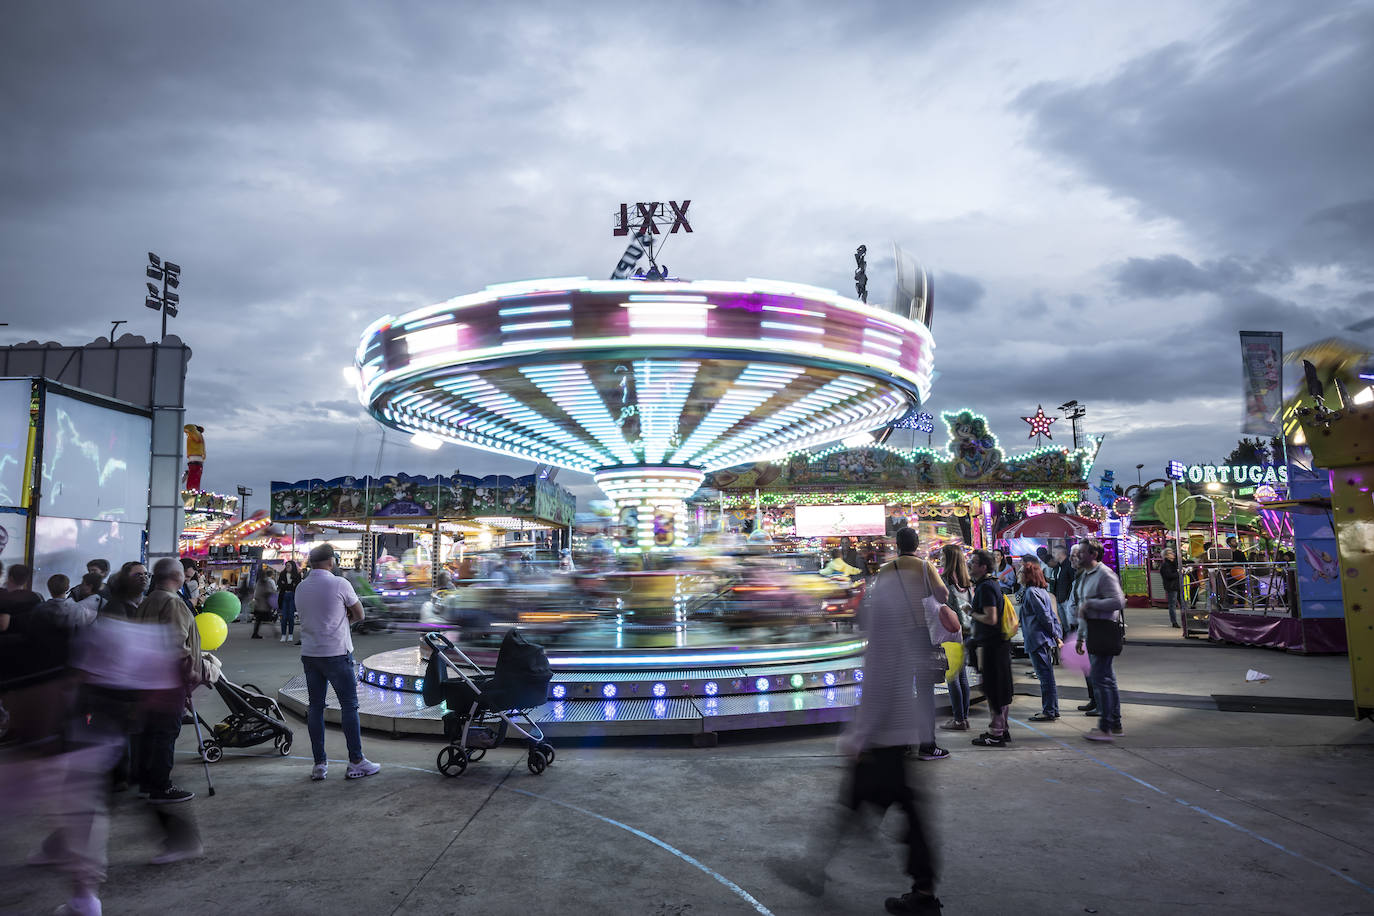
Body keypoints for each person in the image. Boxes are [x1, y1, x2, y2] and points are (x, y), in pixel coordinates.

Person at [778, 526, 945, 913]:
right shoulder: (918, 579)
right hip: (899, 730)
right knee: (896, 808)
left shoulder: (884, 613)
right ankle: (922, 890)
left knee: (856, 804)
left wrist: (859, 734)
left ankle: (819, 869)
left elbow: (880, 683)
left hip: (884, 735)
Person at [295, 543, 380, 781]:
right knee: (349, 706)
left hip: (310, 654)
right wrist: (342, 622)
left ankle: (319, 764)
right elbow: (360, 614)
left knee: (315, 707)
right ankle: (356, 761)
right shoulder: (340, 584)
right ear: (332, 561)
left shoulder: (301, 587)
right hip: (337, 653)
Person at [127, 558, 202, 807]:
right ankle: (161, 785)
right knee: (166, 732)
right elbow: (177, 645)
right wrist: (190, 674)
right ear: (177, 576)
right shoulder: (173, 603)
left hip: (146, 676)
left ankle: (147, 781)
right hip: (168, 680)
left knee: (150, 732)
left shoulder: (148, 601)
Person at [1073, 538, 1126, 741]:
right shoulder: (1086, 575)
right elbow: (1082, 609)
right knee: (1106, 679)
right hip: (1092, 631)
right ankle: (1114, 723)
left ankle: (1106, 727)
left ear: (1094, 554)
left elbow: (1118, 600)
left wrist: (1091, 604)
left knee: (1100, 679)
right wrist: (1080, 636)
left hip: (1103, 630)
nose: (1078, 556)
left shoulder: (1104, 574)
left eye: (1082, 552)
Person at [967, 549, 1013, 747]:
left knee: (994, 690)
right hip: (998, 645)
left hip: (993, 646)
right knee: (1000, 689)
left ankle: (996, 733)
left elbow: (991, 618)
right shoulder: (991, 584)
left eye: (974, 562)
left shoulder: (986, 587)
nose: (970, 565)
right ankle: (1003, 729)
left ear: (983, 566)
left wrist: (971, 612)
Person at [1018, 558, 1062, 721]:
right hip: (1043, 638)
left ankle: (1049, 710)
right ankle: (1052, 708)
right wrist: (1056, 634)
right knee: (1047, 676)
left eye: (1022, 572)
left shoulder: (1031, 592)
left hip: (1037, 638)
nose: (1019, 575)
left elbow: (1044, 616)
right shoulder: (1041, 591)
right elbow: (1050, 616)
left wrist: (1055, 635)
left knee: (1045, 677)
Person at [938, 544, 973, 732]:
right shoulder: (966, 581)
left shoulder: (944, 581)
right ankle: (963, 717)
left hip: (951, 632)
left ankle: (959, 719)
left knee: (952, 678)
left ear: (949, 559)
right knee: (962, 677)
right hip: (967, 632)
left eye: (943, 557)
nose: (940, 560)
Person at [1050, 545, 1075, 633]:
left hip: (1067, 601)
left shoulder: (1069, 565)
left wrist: (1069, 598)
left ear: (1060, 554)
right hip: (1060, 600)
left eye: (1054, 552)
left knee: (1070, 626)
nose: (1053, 555)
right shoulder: (1059, 566)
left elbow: (1074, 582)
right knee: (1065, 627)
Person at [277, 560, 301, 643]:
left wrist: (286, 585)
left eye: (289, 565)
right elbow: (280, 585)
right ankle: (283, 635)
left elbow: (296, 586)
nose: (287, 567)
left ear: (293, 566)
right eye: (286, 565)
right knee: (284, 617)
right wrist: (289, 585)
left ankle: (290, 634)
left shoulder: (297, 575)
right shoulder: (282, 574)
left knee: (291, 616)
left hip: (292, 596)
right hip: (284, 596)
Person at [250, 571, 277, 639]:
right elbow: (270, 591)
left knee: (258, 620)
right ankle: (275, 631)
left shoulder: (259, 582)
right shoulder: (266, 582)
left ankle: (255, 633)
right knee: (268, 619)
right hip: (264, 605)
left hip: (259, 605)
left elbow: (256, 593)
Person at [1160, 548, 1182, 628]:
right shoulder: (1166, 565)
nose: (1172, 554)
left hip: (1177, 585)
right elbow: (1169, 576)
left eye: (1172, 552)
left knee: (1182, 604)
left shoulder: (1174, 563)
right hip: (1171, 586)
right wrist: (1178, 573)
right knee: (1172, 605)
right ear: (1166, 556)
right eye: (1170, 553)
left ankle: (1183, 620)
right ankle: (1174, 622)